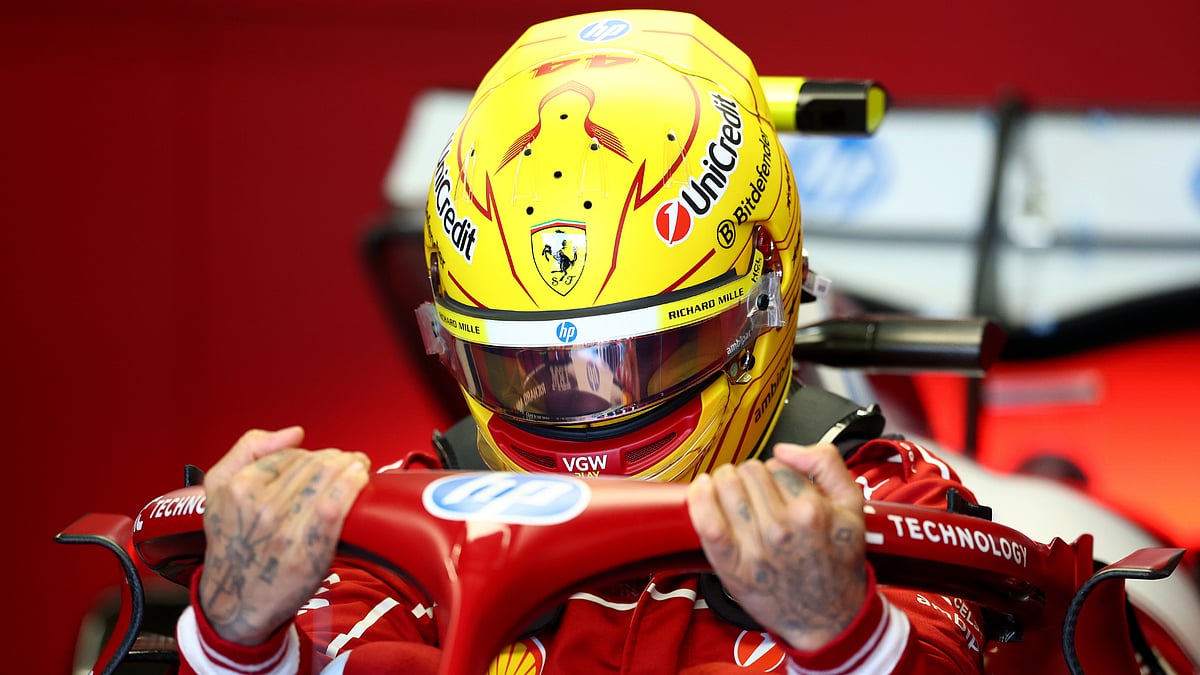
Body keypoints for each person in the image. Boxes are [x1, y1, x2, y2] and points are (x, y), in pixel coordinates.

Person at [176, 9, 985, 674]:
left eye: (638, 355)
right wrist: (237, 638)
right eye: (532, 367)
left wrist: (846, 632)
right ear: (455, 347)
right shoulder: (396, 522)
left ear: (764, 305)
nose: (586, 401)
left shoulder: (888, 501)